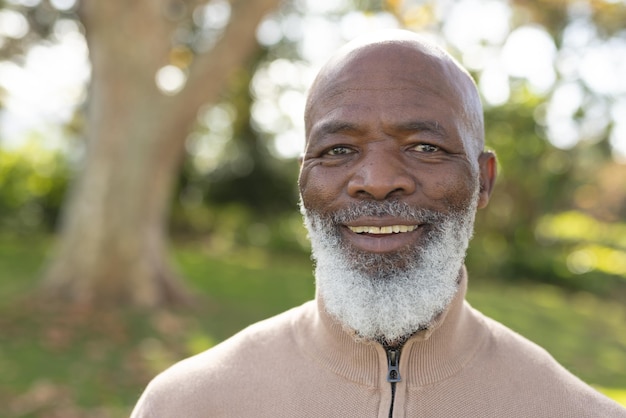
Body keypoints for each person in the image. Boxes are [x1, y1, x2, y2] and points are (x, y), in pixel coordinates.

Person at [131, 30, 626, 417]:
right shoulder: (186, 405)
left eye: (424, 148)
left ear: (483, 182)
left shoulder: (577, 411)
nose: (378, 180)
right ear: (303, 179)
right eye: (339, 150)